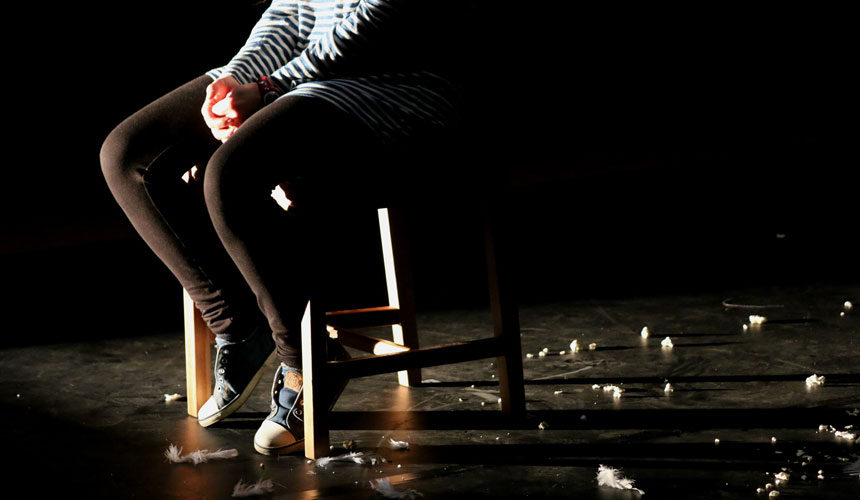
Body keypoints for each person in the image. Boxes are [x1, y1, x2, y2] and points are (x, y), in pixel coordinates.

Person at [100, 0, 461, 455]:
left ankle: (305, 361)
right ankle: (238, 326)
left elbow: (384, 17)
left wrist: (268, 86)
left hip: (388, 82)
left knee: (228, 173)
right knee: (127, 154)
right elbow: (290, 13)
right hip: (301, 77)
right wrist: (236, 80)